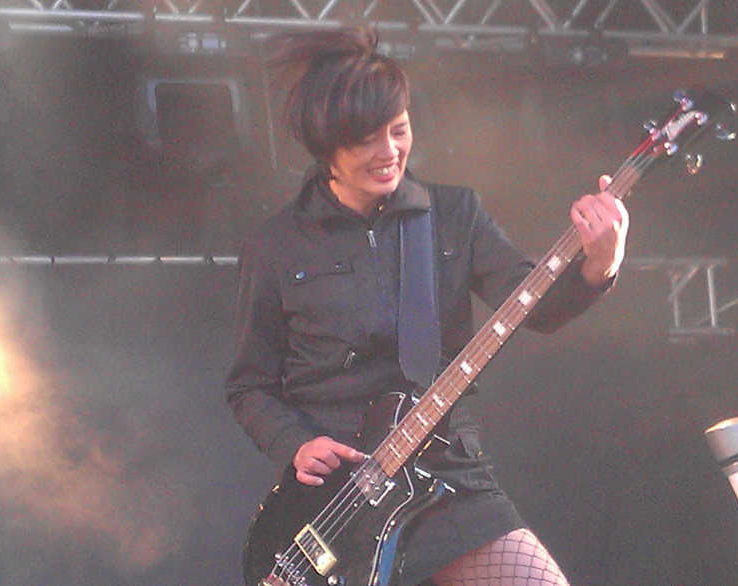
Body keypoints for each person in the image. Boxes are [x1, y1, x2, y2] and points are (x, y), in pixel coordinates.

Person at [224, 27, 629, 586]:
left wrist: (600, 262)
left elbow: (532, 303)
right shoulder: (276, 245)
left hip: (446, 477)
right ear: (327, 146)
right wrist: (296, 444)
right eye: (368, 139)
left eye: (399, 130)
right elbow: (249, 386)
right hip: (338, 503)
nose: (390, 152)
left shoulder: (454, 214)